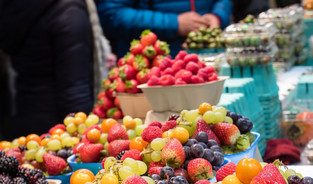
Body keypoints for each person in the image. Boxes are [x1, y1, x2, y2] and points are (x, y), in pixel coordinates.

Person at [0, 0, 101, 139]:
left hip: (24, 117)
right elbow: (75, 88)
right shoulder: (68, 9)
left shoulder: (16, 6)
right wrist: (84, 136)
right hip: (58, 131)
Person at [96, 0, 232, 58]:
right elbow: (113, 15)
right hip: (154, 70)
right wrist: (174, 23)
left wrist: (218, 15)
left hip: (211, 60)